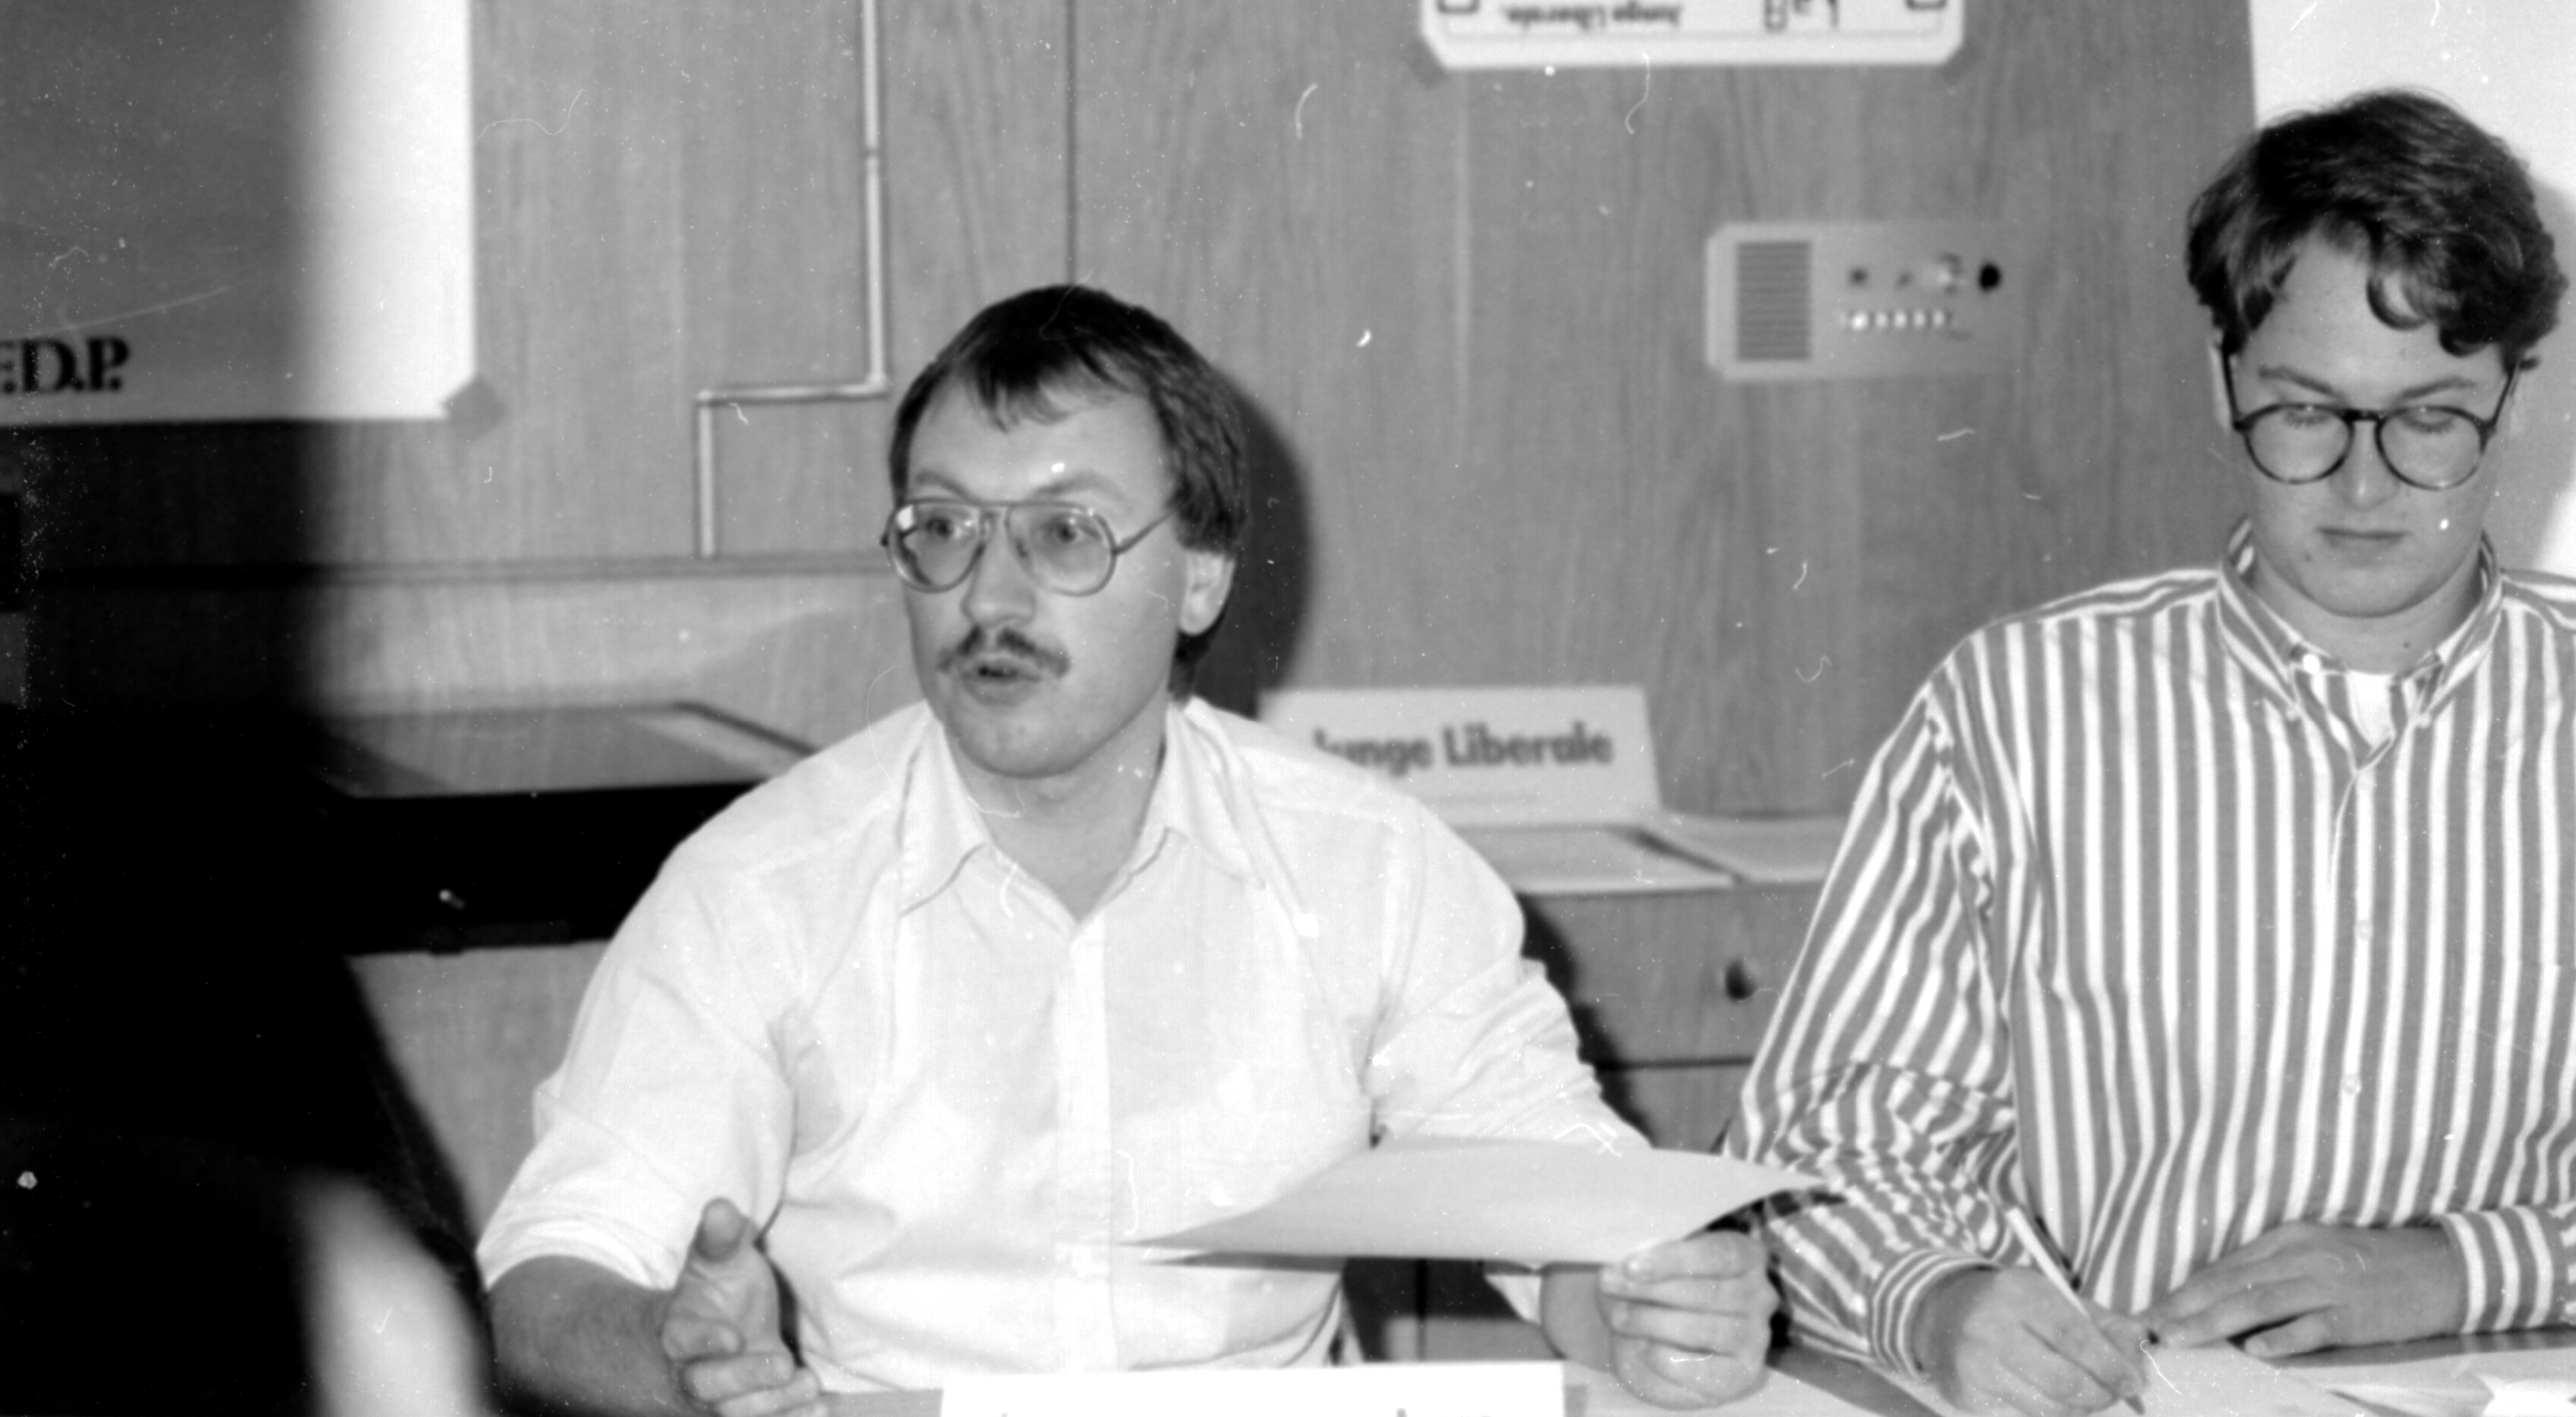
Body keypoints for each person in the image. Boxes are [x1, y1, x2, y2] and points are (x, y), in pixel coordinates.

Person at [481, 284, 1776, 1412]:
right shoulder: (762, 888)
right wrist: (679, 1365)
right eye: (944, 527)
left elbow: (1570, 1225)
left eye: (1065, 533)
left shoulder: (1368, 869)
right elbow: (548, 1282)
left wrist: (1656, 1311)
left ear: (1201, 576)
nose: (989, 596)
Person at [1729, 88, 2575, 1417]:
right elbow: (1819, 1152)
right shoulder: (2018, 712)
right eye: (2306, 412)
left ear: (2513, 398)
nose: (2364, 487)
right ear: (2222, 377)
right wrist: (1938, 1299)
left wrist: (2464, 1265)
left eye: (2429, 418)